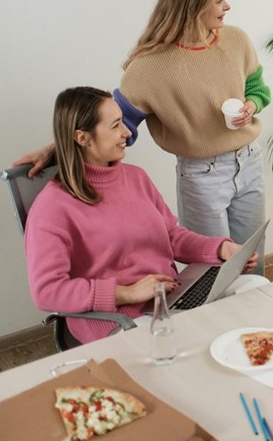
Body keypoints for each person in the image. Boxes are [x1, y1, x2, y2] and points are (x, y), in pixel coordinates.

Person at [14, 0, 271, 274]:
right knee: (213, 271)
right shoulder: (150, 67)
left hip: (249, 161)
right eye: (218, 0)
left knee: (251, 261)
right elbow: (112, 124)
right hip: (203, 176)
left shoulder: (236, 40)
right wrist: (55, 148)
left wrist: (251, 105)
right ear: (193, 6)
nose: (227, 6)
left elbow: (257, 88)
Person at [25, 87, 259, 344]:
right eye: (115, 126)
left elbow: (171, 236)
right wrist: (127, 293)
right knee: (198, 341)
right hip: (116, 318)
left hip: (170, 296)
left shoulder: (135, 177)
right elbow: (47, 291)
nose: (127, 132)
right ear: (82, 137)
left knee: (256, 288)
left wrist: (221, 249)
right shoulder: (52, 207)